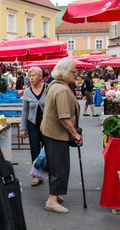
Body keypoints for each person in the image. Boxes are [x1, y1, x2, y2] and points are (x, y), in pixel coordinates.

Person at [40, 58, 83, 214]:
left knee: (55, 166)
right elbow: (64, 117)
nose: (76, 74)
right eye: (73, 71)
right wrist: (75, 134)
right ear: (64, 72)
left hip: (50, 132)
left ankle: (55, 195)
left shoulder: (54, 85)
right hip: (56, 134)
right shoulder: (62, 90)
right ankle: (51, 201)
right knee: (60, 167)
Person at [20, 67, 47, 186]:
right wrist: (23, 128)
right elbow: (24, 111)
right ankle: (37, 175)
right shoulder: (27, 92)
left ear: (40, 77)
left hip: (47, 124)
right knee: (35, 149)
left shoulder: (48, 89)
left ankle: (48, 172)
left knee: (48, 149)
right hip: (33, 124)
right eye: (29, 75)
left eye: (34, 75)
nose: (31, 78)